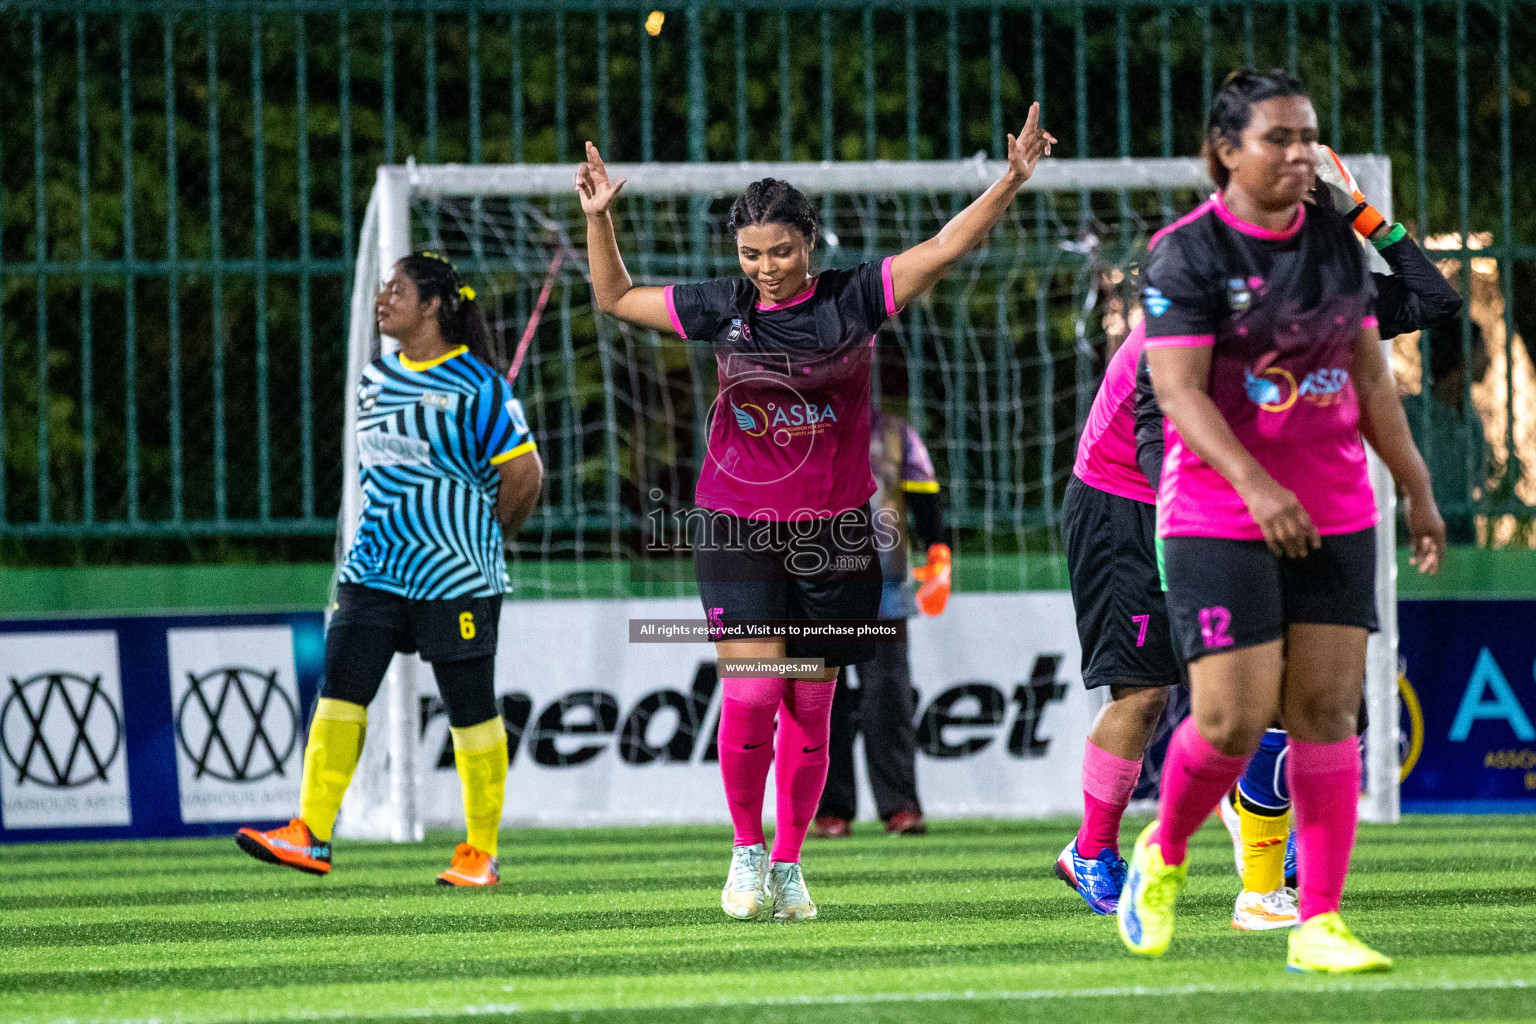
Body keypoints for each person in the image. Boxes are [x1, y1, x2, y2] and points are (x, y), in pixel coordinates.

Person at [576, 105, 1054, 922]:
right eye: (751, 253)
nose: (766, 267)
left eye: (781, 250)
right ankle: (745, 850)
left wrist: (1008, 181)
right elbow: (615, 295)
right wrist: (600, 219)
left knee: (811, 705)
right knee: (755, 696)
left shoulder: (855, 299)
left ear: (811, 240)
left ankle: (792, 863)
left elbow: (943, 247)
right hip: (736, 525)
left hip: (836, 535)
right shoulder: (720, 306)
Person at [1114, 70, 1444, 973]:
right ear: (1227, 150)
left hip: (1335, 504)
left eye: (1308, 137)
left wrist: (1413, 486)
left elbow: (1373, 378)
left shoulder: (1338, 243)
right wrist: (1258, 488)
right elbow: (1177, 393)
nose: (1300, 155)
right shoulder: (1185, 253)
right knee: (1229, 722)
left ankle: (1319, 922)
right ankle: (1166, 851)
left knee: (1328, 715)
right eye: (1279, 139)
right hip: (1219, 512)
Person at [236, 252, 544, 887]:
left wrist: (487, 537)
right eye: (382, 289)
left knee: (470, 709)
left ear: (432, 305)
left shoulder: (482, 386)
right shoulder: (374, 379)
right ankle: (309, 834)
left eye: (397, 290)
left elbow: (524, 476)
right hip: (374, 567)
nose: (383, 300)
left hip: (454, 572)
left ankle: (479, 850)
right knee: (340, 692)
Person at [813, 407, 949, 839]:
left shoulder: (895, 433)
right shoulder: (789, 427)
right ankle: (830, 810)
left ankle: (900, 807)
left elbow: (925, 499)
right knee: (820, 703)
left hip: (884, 590)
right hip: (812, 589)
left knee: (887, 698)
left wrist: (938, 551)